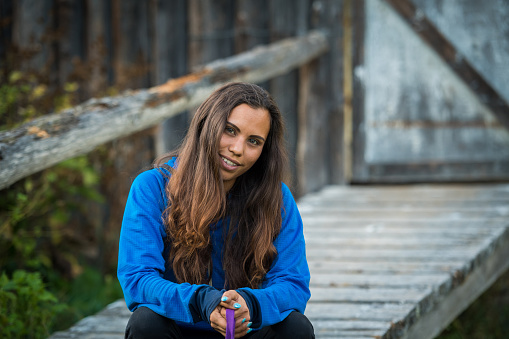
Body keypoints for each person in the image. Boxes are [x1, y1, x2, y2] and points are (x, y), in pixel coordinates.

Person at [117, 82, 314, 339]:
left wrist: (251, 304)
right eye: (230, 130)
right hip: (179, 329)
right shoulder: (152, 188)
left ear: (264, 152)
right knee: (145, 322)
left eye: (253, 141)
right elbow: (137, 279)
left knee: (296, 328)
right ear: (207, 125)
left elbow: (293, 284)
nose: (237, 149)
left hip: (243, 331)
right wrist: (202, 302)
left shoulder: (277, 199)